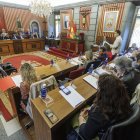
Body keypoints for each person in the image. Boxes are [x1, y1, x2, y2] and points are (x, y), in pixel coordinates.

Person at [78, 74, 131, 140]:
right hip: (118, 132)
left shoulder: (98, 112)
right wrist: (91, 108)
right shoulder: (124, 101)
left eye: (99, 88)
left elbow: (86, 134)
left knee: (74, 117)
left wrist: (81, 118)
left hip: (103, 135)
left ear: (103, 93)